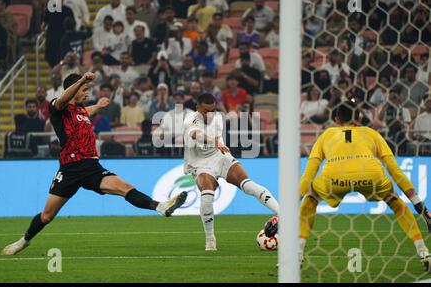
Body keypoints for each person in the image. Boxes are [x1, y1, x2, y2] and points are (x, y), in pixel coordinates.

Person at [1, 72, 187, 256]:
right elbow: (64, 99)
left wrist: (97, 106)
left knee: (125, 187)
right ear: (72, 90)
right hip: (70, 169)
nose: (87, 93)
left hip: (92, 167)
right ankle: (23, 241)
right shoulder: (58, 107)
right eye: (84, 90)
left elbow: (86, 111)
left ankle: (161, 207)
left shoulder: (81, 111)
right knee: (47, 216)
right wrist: (82, 79)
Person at [290, 102, 431, 270]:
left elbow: (308, 175)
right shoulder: (371, 133)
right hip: (370, 176)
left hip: (335, 178)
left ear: (336, 120)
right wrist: (419, 205)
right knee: (396, 202)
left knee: (311, 198)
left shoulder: (326, 134)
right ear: (358, 118)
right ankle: (423, 251)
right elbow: (394, 170)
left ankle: (296, 256)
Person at [183, 93, 279, 250]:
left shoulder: (218, 118)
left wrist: (217, 145)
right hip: (201, 164)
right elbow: (196, 134)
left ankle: (283, 214)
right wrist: (215, 141)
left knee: (248, 185)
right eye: (206, 111)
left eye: (213, 110)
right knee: (207, 194)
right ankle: (210, 239)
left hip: (220, 157)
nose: (210, 114)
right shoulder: (190, 119)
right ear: (197, 107)